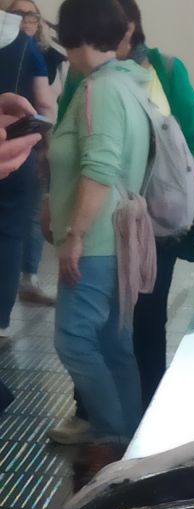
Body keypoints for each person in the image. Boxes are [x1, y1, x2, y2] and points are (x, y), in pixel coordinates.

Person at [48, 0, 151, 453]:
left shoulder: (99, 90)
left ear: (73, 33)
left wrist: (75, 235)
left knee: (74, 339)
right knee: (113, 342)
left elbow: (100, 167)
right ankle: (129, 437)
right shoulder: (129, 82)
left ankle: (111, 433)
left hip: (98, 239)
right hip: (119, 235)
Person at [116, 0, 194, 410]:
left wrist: (176, 192)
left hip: (158, 222)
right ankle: (91, 409)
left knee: (149, 314)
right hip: (107, 216)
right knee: (102, 317)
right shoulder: (88, 73)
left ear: (130, 26)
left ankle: (148, 405)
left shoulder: (165, 69)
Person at [0, 1, 52, 332]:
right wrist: (45, 147)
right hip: (18, 149)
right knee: (10, 236)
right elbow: (44, 103)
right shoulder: (26, 48)